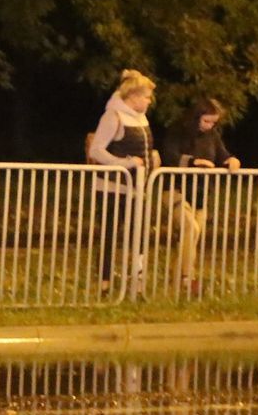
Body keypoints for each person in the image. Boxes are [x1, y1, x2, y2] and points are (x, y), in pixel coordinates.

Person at [88, 69, 160, 290]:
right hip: (113, 187)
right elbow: (96, 151)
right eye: (146, 97)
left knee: (139, 234)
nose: (149, 101)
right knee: (110, 233)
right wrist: (126, 162)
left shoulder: (141, 118)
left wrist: (152, 157)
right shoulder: (113, 116)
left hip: (137, 186)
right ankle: (104, 281)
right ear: (134, 97)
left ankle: (137, 282)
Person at [162, 98, 242, 294]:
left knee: (191, 238)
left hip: (200, 195)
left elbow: (223, 155)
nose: (209, 126)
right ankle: (186, 279)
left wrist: (232, 160)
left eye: (213, 122)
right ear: (196, 117)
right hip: (175, 190)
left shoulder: (212, 135)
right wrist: (193, 163)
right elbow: (169, 155)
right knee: (191, 228)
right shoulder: (178, 131)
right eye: (206, 121)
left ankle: (180, 282)